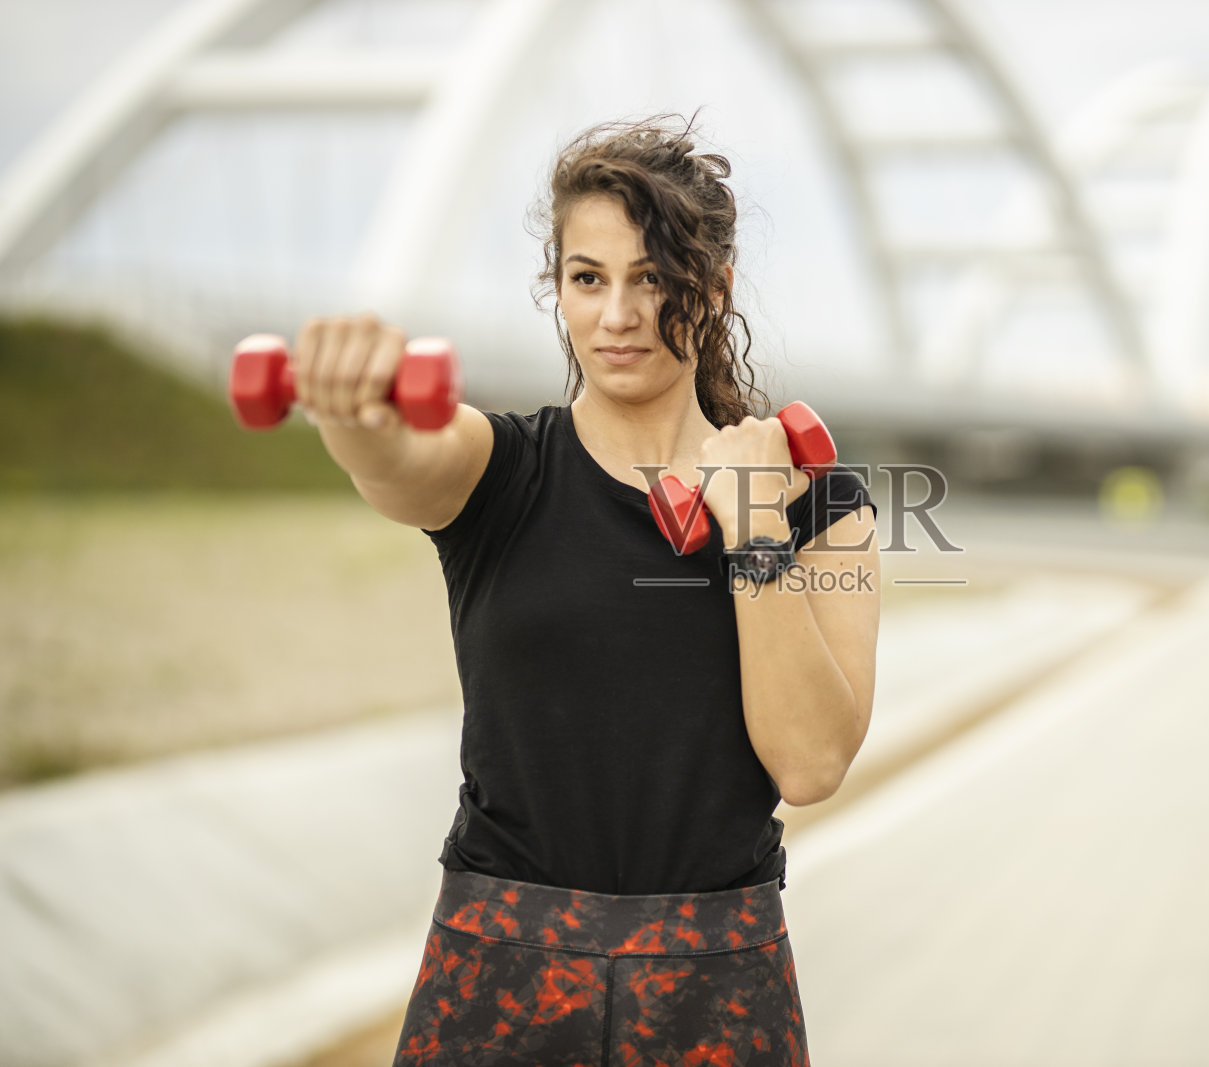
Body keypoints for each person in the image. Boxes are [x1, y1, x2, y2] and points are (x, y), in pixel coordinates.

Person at [287, 116, 880, 1065]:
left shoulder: (820, 504)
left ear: (715, 289)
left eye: (654, 278)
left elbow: (810, 765)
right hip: (498, 973)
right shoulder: (501, 471)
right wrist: (352, 413)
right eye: (589, 278)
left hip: (716, 986)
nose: (618, 315)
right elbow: (396, 460)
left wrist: (756, 526)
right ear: (557, 288)